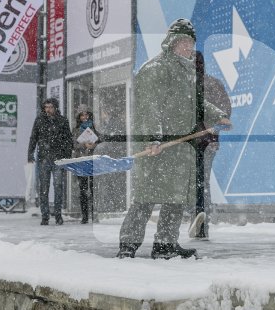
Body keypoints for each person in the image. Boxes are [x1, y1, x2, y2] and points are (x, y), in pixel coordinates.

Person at [117, 18, 231, 259]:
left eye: (191, 42)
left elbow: (197, 103)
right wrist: (152, 139)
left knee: (175, 199)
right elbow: (148, 107)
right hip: (157, 147)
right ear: (172, 42)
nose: (189, 47)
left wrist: (217, 115)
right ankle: (128, 245)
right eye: (185, 42)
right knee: (146, 198)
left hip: (180, 148)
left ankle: (165, 244)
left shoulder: (187, 71)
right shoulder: (156, 68)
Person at [190, 51, 232, 239]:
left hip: (201, 143)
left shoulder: (197, 85)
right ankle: (199, 220)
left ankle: (200, 221)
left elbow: (224, 113)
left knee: (197, 182)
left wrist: (210, 127)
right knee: (201, 182)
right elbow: (225, 111)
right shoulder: (212, 83)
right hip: (203, 143)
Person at [28, 97, 72, 226]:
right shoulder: (40, 120)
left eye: (51, 107)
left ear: (55, 107)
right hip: (44, 158)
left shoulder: (62, 120)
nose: (48, 109)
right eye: (46, 107)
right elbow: (33, 137)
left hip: (58, 158)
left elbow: (68, 139)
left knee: (58, 187)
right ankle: (45, 216)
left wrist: (67, 155)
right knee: (44, 188)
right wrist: (30, 154)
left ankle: (58, 215)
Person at [72, 107, 99, 224]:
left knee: (94, 188)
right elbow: (73, 144)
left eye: (86, 115)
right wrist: (84, 145)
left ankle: (94, 213)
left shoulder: (95, 128)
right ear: (79, 117)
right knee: (83, 189)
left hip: (93, 161)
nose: (85, 117)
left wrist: (94, 145)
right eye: (82, 115)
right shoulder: (76, 129)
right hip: (81, 161)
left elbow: (100, 141)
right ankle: (84, 215)